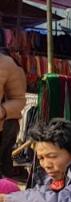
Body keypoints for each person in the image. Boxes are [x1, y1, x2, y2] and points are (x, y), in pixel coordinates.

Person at [0, 32, 27, 180]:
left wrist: (3, 111)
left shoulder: (9, 65)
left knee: (4, 163)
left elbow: (18, 99)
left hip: (6, 124)